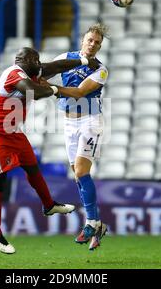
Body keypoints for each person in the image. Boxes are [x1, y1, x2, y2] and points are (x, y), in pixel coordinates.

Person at [0, 47, 100, 254]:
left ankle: (49, 205)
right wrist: (55, 89)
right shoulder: (14, 75)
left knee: (33, 168)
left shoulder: (29, 71)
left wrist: (85, 62)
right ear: (26, 60)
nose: (40, 63)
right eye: (36, 59)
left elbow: (58, 66)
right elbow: (37, 92)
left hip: (13, 131)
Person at [40, 23, 109, 251]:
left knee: (81, 171)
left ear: (100, 46)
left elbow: (80, 92)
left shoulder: (101, 70)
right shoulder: (66, 58)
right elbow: (46, 72)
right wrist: (37, 78)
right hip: (69, 122)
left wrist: (51, 88)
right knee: (78, 176)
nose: (93, 45)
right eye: (90, 40)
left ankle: (90, 223)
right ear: (82, 40)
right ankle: (98, 224)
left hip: (91, 121)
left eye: (97, 43)